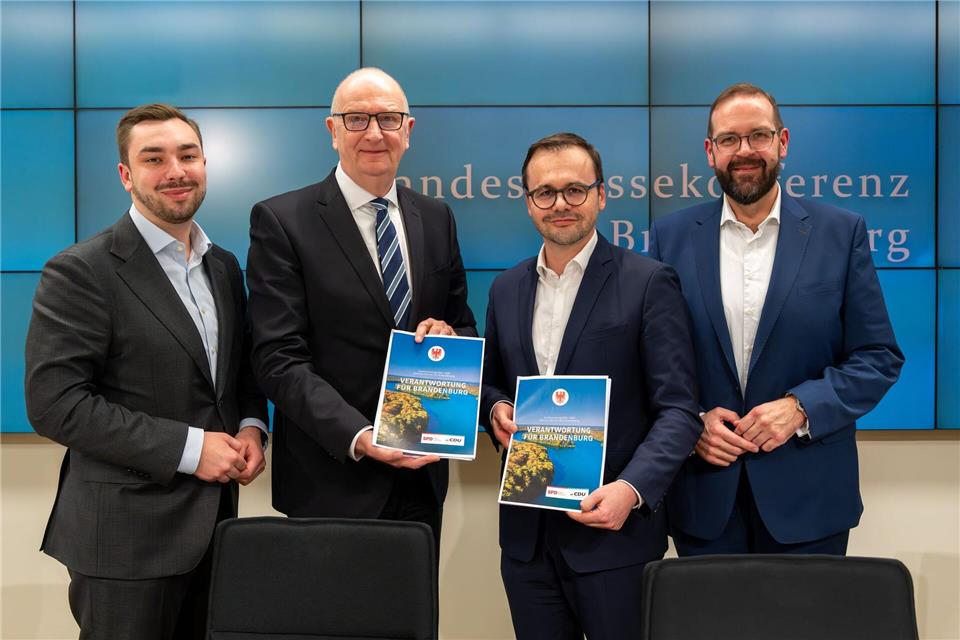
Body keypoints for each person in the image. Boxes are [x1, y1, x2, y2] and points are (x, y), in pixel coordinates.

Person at [25, 104, 269, 640]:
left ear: (204, 164)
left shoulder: (223, 265)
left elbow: (236, 376)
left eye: (187, 156)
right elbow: (55, 405)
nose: (175, 171)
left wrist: (252, 426)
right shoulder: (81, 270)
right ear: (126, 175)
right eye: (154, 159)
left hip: (217, 530)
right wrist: (192, 449)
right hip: (125, 543)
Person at [649, 83, 904, 556]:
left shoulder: (840, 232)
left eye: (758, 136)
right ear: (710, 151)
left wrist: (801, 408)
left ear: (782, 142)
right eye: (729, 139)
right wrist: (693, 422)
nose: (744, 151)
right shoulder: (670, 237)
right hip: (705, 497)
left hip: (810, 499)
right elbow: (653, 361)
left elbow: (878, 357)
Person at [480, 132, 701, 639]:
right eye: (545, 192)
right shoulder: (505, 288)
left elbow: (679, 410)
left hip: (615, 538)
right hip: (527, 542)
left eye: (575, 190)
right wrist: (495, 410)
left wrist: (632, 490)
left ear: (601, 195)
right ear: (528, 202)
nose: (560, 204)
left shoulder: (648, 282)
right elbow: (492, 384)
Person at [246, 68, 476, 549]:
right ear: (333, 130)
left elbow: (463, 325)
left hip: (421, 479)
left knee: (415, 602)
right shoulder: (282, 221)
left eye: (388, 119)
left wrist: (450, 337)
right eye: (356, 119)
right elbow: (278, 359)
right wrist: (360, 435)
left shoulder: (437, 218)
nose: (374, 133)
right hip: (331, 479)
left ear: (408, 130)